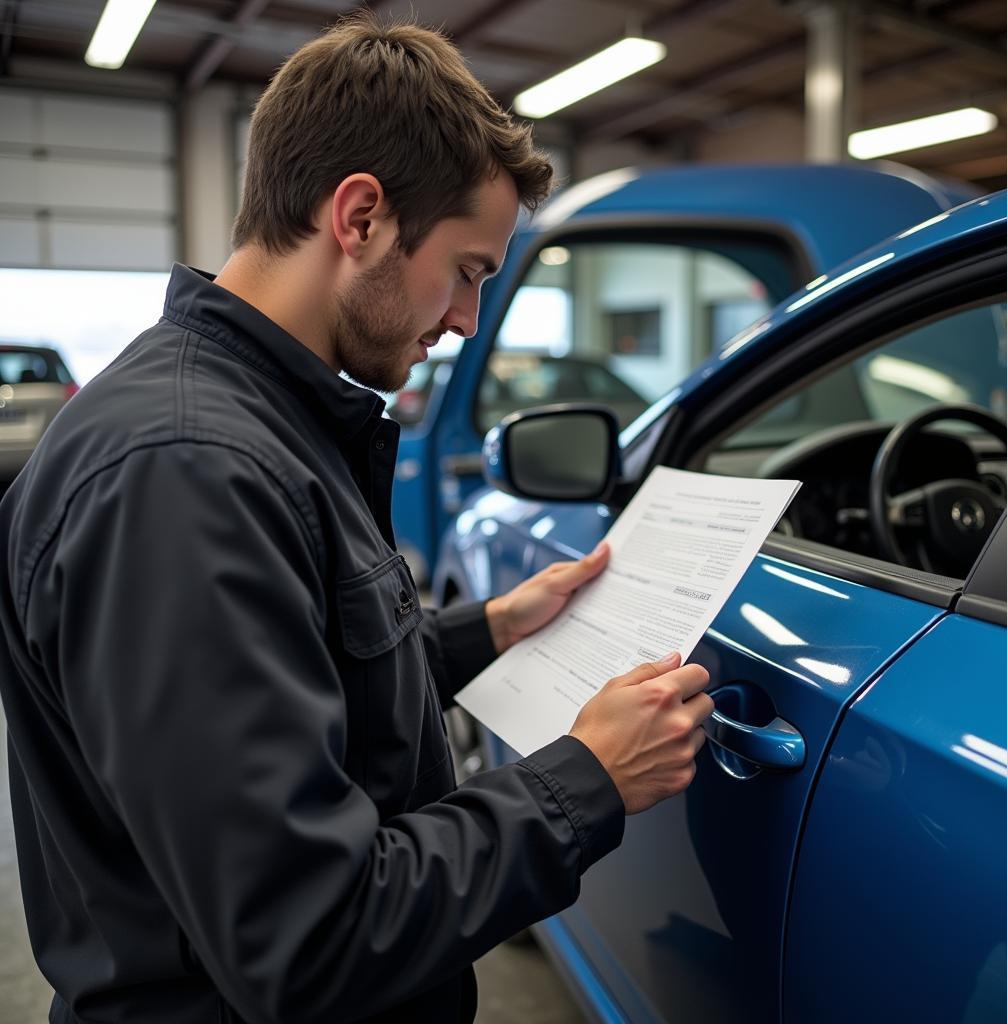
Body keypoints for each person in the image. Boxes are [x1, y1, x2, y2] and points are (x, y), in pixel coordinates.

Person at [0, 13, 713, 1024]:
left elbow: (307, 681)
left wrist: (491, 628)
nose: (467, 318)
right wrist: (583, 780)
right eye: (467, 269)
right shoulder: (186, 474)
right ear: (362, 216)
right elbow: (310, 937)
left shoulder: (262, 424)